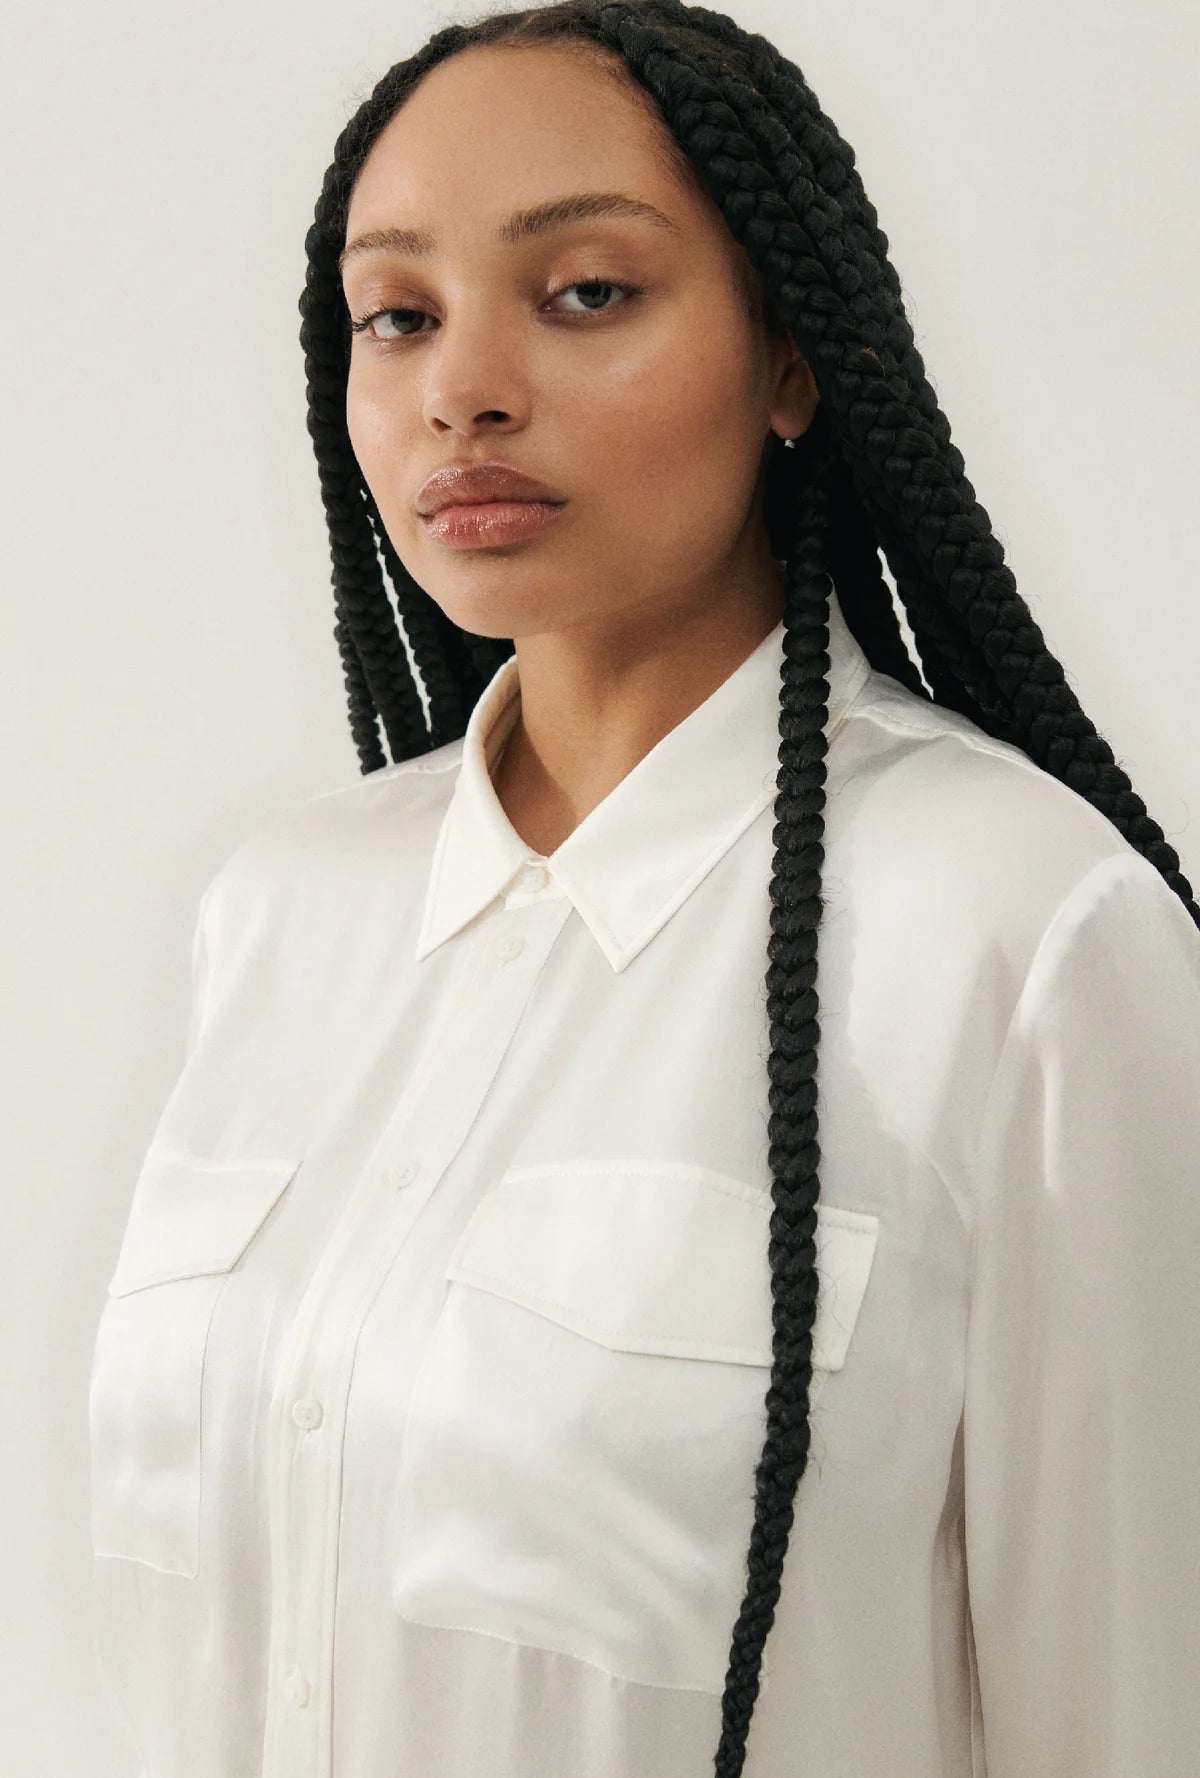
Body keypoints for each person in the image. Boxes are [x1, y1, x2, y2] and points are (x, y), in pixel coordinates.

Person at [87, 3, 1200, 1775]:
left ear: (790, 356)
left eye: (587, 290)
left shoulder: (1022, 935)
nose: (464, 385)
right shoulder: (282, 912)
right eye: (400, 314)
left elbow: (1137, 1712)